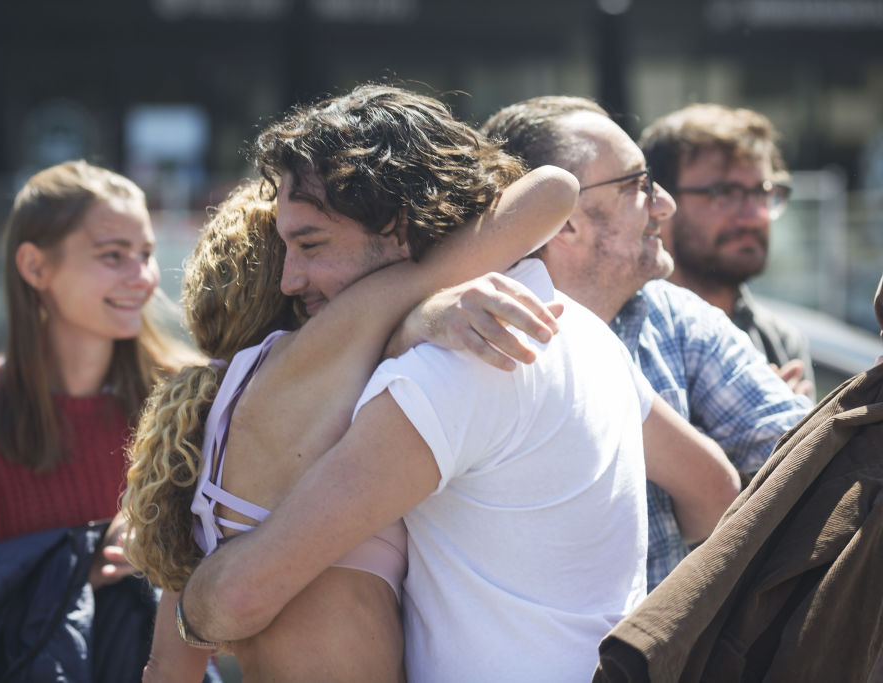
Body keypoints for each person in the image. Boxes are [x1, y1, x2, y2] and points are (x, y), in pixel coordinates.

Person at [167, 84, 743, 682]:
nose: (289, 279)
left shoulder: (454, 367)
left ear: (400, 227)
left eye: (312, 245)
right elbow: (717, 487)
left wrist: (187, 613)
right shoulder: (586, 334)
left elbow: (241, 597)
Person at [124, 87, 579, 681]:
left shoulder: (230, 408)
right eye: (292, 249)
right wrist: (423, 306)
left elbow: (167, 667)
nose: (293, 279)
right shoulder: (318, 358)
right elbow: (556, 189)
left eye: (309, 246)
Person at [480, 95, 813, 590]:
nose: (664, 206)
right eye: (638, 185)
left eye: (762, 192)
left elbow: (815, 479)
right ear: (562, 217)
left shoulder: (674, 317)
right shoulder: (475, 335)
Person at [0, 160, 201, 683]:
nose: (142, 277)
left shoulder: (189, 397)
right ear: (36, 268)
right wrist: (68, 578)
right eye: (113, 255)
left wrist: (170, 553)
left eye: (146, 254)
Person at [593, 271, 883, 683]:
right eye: (638, 198)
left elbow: (740, 492)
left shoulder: (673, 316)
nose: (661, 206)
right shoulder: (515, 327)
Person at [638, 103, 815, 397]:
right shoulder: (623, 332)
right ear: (660, 201)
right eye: (724, 193)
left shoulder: (780, 342)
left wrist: (792, 434)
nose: (753, 215)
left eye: (762, 192)